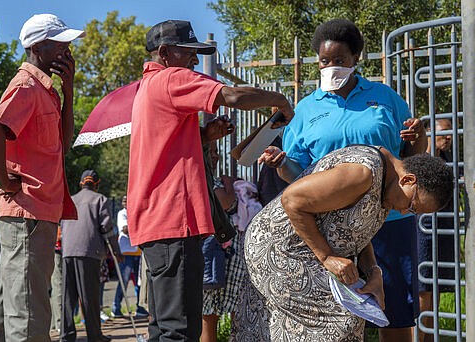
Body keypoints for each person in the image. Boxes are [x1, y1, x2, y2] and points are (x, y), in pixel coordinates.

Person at [258, 19, 427, 341]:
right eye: (325, 61)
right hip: (333, 228)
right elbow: (298, 175)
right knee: (338, 314)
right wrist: (281, 165)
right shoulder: (306, 109)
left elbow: (410, 158)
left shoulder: (386, 98)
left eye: (340, 61)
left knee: (395, 312)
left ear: (355, 59)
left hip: (388, 221)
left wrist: (420, 137)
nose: (331, 67)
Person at [126, 19, 294, 341]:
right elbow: (230, 96)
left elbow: (164, 148)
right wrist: (278, 99)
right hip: (173, 221)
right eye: (188, 52)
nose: (194, 60)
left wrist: (204, 135)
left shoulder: (147, 88)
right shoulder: (171, 79)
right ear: (164, 53)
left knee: (163, 324)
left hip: (157, 221)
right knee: (181, 328)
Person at [233, 145, 453, 341]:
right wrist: (327, 257)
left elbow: (357, 233)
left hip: (307, 251)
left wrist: (373, 272)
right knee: (341, 321)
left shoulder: (390, 188)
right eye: (412, 206)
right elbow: (292, 200)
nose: (405, 211)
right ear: (408, 180)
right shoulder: (363, 173)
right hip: (280, 247)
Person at [0, 13, 84, 341]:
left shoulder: (45, 90)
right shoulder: (27, 85)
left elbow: (63, 145)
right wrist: (6, 181)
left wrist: (68, 91)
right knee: (29, 314)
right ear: (38, 47)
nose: (67, 50)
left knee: (10, 310)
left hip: (35, 214)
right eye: (60, 44)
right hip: (28, 213)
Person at [201, 143, 263, 342]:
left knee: (235, 310)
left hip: (229, 256)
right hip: (214, 255)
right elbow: (226, 202)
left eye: (216, 152)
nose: (215, 156)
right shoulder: (207, 182)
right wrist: (229, 182)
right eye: (210, 151)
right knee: (209, 315)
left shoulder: (214, 181)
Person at [60, 170, 121, 342]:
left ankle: (66, 336)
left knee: (68, 297)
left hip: (68, 251)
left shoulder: (70, 199)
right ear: (96, 184)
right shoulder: (100, 199)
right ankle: (94, 336)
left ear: (80, 183)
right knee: (89, 296)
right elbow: (107, 228)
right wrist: (116, 251)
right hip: (88, 253)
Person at [417, 118, 456, 342]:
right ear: (429, 133)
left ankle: (430, 338)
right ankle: (419, 337)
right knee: (424, 288)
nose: (449, 137)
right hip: (424, 229)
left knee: (437, 287)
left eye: (451, 131)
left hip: (444, 229)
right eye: (444, 132)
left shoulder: (449, 158)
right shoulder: (420, 160)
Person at [111, 195, 149, 319]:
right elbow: (125, 229)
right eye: (123, 201)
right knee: (124, 281)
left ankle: (141, 307)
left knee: (139, 281)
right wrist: (139, 224)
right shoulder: (122, 214)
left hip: (137, 251)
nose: (124, 203)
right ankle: (116, 308)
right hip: (126, 252)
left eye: (127, 201)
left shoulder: (135, 212)